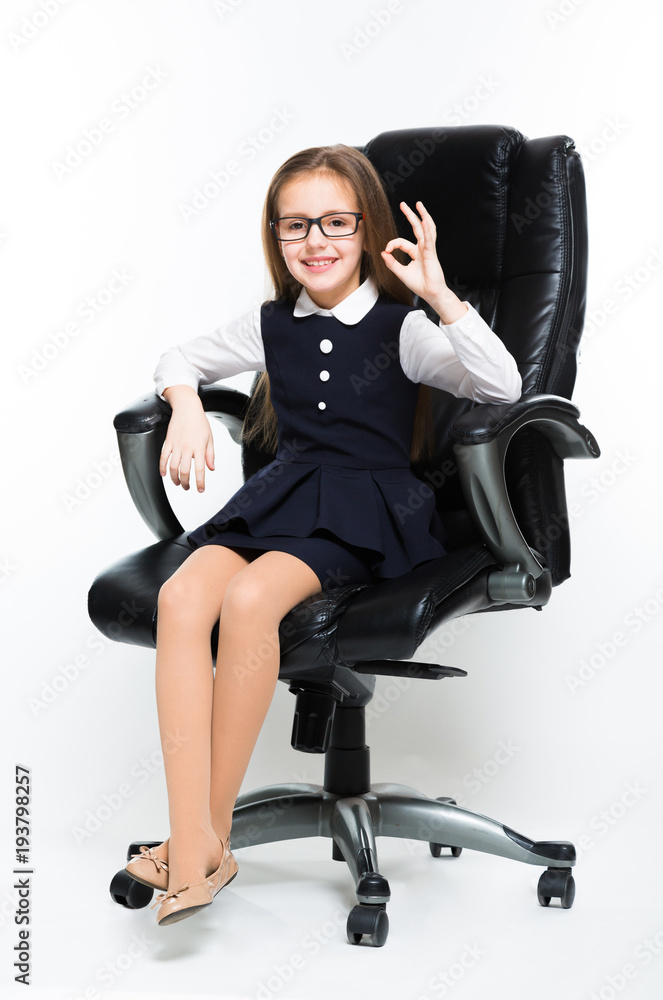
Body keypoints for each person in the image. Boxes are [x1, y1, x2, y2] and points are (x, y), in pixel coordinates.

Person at [127, 144, 522, 926]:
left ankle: (200, 842)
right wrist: (181, 404)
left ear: (367, 228)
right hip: (280, 499)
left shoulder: (401, 326)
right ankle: (196, 837)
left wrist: (440, 295)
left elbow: (501, 386)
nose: (315, 241)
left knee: (249, 601)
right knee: (180, 597)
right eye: (294, 226)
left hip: (364, 507)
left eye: (336, 222)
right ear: (274, 236)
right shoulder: (272, 322)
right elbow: (177, 355)